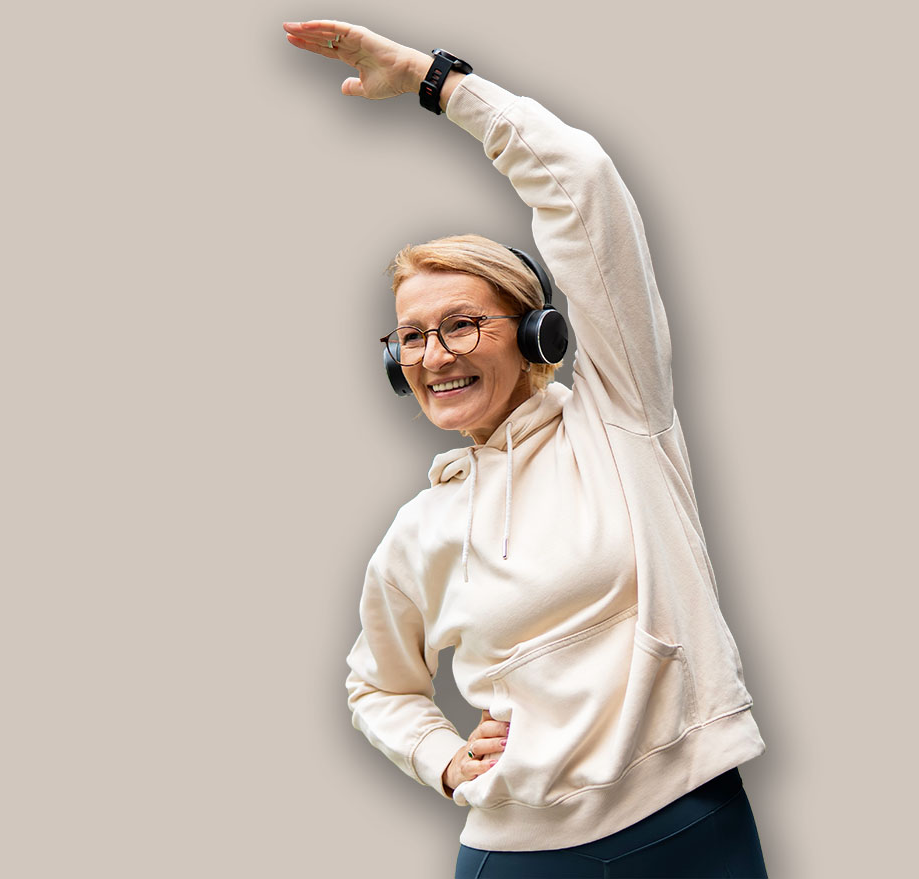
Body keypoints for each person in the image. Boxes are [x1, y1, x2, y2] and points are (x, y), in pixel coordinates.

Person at [284, 19, 769, 879]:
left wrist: (439, 84)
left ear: (538, 334)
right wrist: (439, 755)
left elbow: (581, 184)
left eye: (462, 323)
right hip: (516, 858)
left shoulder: (622, 420)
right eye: (412, 338)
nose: (435, 355)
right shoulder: (420, 530)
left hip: (687, 826)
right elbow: (375, 684)